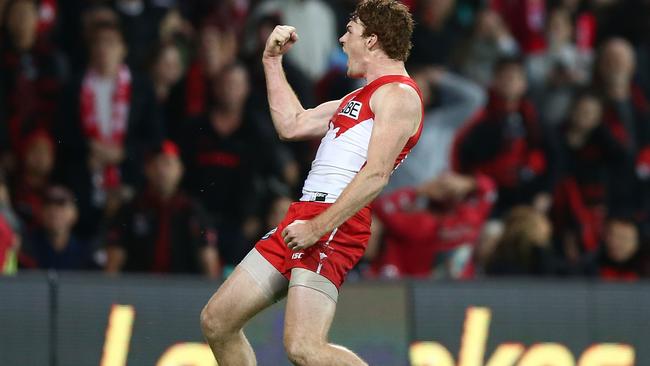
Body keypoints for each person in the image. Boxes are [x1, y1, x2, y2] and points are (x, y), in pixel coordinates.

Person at [200, 1, 422, 365]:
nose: (341, 39)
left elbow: (377, 174)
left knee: (304, 347)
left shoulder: (400, 95)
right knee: (217, 321)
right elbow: (293, 124)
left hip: (334, 222)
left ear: (371, 41)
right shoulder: (358, 98)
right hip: (303, 217)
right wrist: (272, 62)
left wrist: (318, 226)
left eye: (349, 32)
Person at [105, 140, 219, 276]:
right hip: (138, 290)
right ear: (146, 169)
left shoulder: (193, 210)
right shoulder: (131, 209)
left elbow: (209, 261)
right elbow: (113, 264)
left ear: (180, 169)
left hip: (184, 291)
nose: (161, 170)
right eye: (155, 164)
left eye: (167, 164)